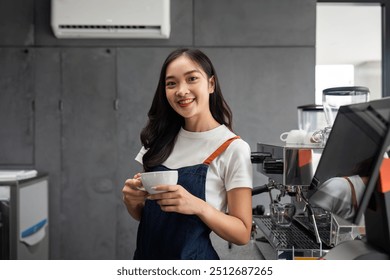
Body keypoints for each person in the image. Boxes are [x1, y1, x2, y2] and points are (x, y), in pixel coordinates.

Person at [122, 48, 253, 260]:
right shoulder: (158, 141)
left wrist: (198, 206)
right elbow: (149, 218)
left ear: (211, 84)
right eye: (171, 83)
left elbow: (242, 232)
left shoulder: (233, 148)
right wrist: (132, 201)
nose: (181, 91)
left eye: (192, 78)